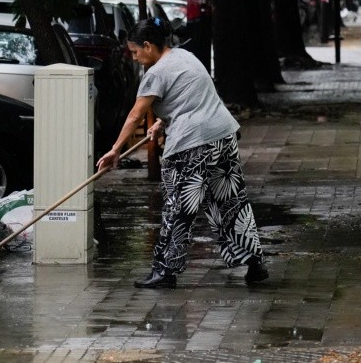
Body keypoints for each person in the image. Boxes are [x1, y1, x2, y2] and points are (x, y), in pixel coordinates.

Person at [96, 18, 268, 289]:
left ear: (148, 46)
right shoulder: (185, 57)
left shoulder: (155, 73)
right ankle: (255, 263)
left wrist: (115, 150)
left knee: (178, 208)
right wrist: (163, 122)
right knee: (231, 202)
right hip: (223, 136)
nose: (134, 58)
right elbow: (191, 97)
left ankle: (165, 272)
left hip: (192, 145)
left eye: (135, 52)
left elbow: (135, 115)